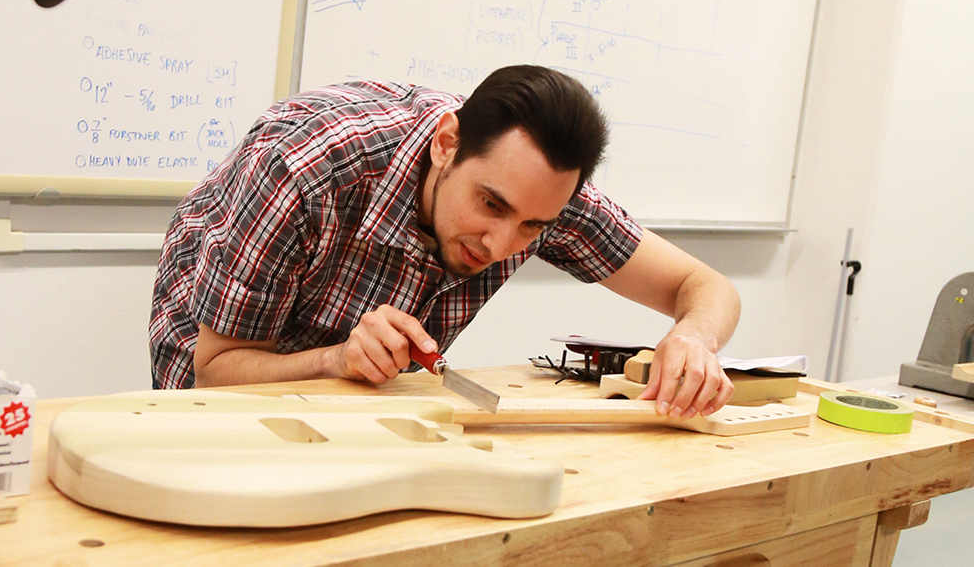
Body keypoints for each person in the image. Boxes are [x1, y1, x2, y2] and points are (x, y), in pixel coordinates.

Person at [150, 65, 740, 419]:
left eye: (533, 227)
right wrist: (334, 360)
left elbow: (706, 287)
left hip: (358, 381)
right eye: (491, 205)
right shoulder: (305, 169)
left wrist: (693, 336)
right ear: (446, 144)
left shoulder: (540, 192)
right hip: (219, 343)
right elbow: (217, 371)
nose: (502, 244)